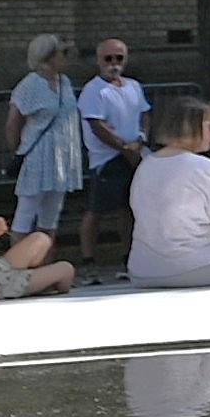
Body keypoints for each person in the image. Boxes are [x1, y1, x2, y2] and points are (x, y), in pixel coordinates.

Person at [126, 95, 210, 289]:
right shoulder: (203, 166)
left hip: (142, 271)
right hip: (197, 267)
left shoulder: (145, 166)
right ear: (190, 127)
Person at [4, 35, 86, 240]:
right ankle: (18, 258)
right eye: (62, 53)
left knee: (51, 217)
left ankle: (45, 257)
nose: (65, 57)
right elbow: (13, 122)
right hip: (38, 156)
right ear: (48, 56)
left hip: (62, 159)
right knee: (26, 213)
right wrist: (16, 149)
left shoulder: (64, 82)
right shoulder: (29, 84)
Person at [76, 38, 149, 265]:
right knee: (96, 210)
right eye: (108, 58)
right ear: (99, 60)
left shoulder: (134, 86)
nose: (113, 63)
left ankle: (128, 257)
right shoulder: (93, 90)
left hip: (134, 155)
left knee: (128, 208)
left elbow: (145, 113)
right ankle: (88, 260)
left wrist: (140, 140)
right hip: (106, 159)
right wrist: (124, 147)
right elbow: (97, 125)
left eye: (119, 58)